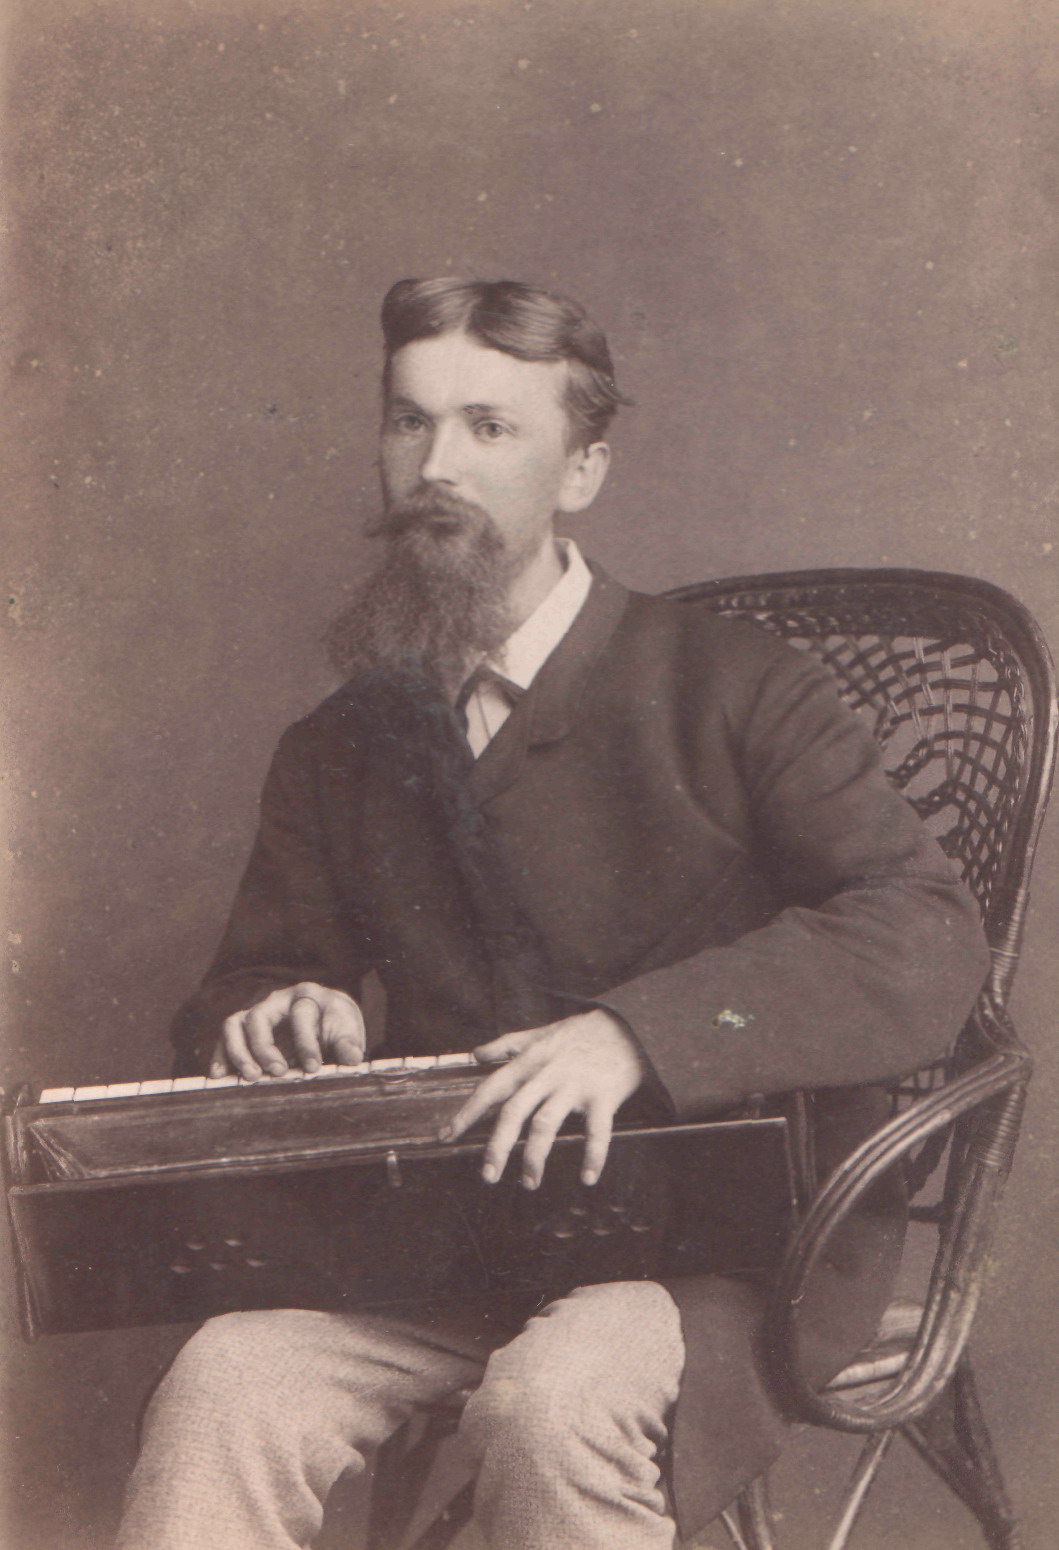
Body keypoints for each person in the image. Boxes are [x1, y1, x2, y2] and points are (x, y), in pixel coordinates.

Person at [116, 278, 989, 1550]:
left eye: (489, 427)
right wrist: (271, 1008)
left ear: (583, 468)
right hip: (456, 1239)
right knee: (222, 1383)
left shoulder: (733, 685)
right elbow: (249, 977)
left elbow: (925, 927)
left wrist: (643, 1034)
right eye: (409, 422)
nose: (436, 466)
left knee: (554, 1401)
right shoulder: (340, 743)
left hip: (725, 1253)